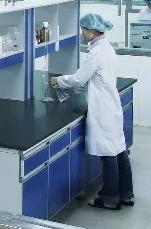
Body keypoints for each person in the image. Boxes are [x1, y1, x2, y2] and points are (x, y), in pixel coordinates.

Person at [50, 13, 133, 210]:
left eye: (83, 30)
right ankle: (126, 194)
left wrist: (58, 80)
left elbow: (79, 79)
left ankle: (109, 198)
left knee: (108, 153)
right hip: (111, 105)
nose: (82, 33)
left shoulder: (96, 53)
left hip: (102, 109)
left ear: (92, 31)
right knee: (119, 150)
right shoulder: (107, 48)